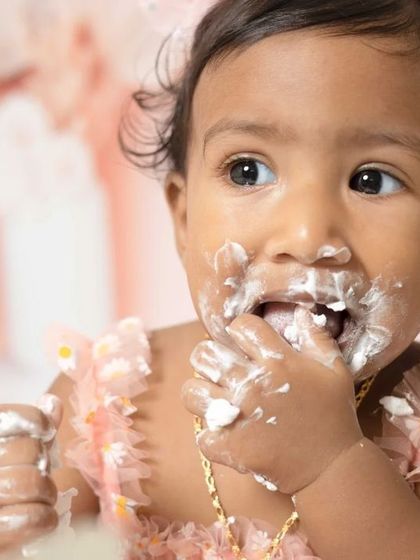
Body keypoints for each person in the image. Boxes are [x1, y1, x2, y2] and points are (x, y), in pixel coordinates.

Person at [2, 0, 420, 557]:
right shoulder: (113, 400)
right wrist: (21, 515)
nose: (306, 233)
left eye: (372, 180)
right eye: (249, 171)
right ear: (182, 218)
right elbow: (43, 538)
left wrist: (332, 463)